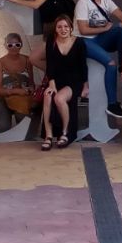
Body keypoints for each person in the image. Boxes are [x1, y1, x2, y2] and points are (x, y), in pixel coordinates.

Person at [75, 0, 122, 119]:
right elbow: (83, 30)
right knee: (110, 64)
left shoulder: (106, 1)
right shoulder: (83, 1)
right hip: (83, 41)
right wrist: (104, 29)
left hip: (99, 40)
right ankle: (112, 104)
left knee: (120, 30)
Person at [38, 15, 88, 150]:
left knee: (59, 98)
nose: (63, 29)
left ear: (71, 28)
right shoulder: (51, 41)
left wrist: (85, 85)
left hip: (74, 81)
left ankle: (65, 133)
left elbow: (83, 66)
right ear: (55, 29)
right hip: (57, 80)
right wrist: (51, 84)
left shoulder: (79, 42)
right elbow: (50, 65)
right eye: (59, 27)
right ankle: (48, 135)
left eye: (66, 26)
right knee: (48, 96)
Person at [0, 32, 38, 136]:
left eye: (17, 44)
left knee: (26, 131)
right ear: (5, 45)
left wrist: (30, 89)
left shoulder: (27, 60)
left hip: (22, 99)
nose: (14, 47)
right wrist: (17, 91)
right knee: (2, 128)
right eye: (10, 45)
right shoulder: (0, 63)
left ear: (21, 45)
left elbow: (31, 82)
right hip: (3, 99)